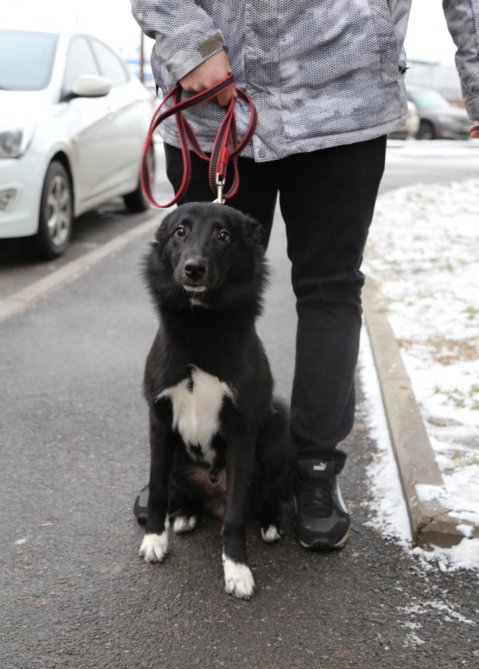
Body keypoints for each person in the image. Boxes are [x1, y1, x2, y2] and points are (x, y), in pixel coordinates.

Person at [130, 0, 479, 549]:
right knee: (192, 285)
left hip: (346, 95)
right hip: (209, 97)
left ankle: (315, 468)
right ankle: (185, 463)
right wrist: (190, 41)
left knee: (330, 289)